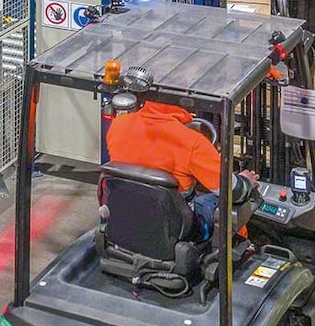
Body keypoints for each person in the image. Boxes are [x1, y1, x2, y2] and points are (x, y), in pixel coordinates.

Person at [106, 100, 259, 241]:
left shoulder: (118, 125)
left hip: (126, 218)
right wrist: (246, 181)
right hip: (178, 229)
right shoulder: (192, 141)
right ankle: (238, 255)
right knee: (231, 209)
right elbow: (233, 192)